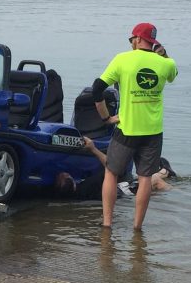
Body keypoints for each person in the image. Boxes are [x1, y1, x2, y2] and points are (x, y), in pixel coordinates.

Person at [92, 22, 178, 230]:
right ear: (154, 42)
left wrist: (107, 118)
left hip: (127, 129)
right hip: (153, 131)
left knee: (112, 173)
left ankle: (107, 224)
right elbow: (173, 75)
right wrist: (163, 55)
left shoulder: (122, 59)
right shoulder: (166, 63)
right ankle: (137, 228)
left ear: (138, 39)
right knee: (145, 177)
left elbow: (97, 89)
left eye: (132, 39)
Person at [53, 137, 173, 200]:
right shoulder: (87, 186)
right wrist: (93, 149)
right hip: (124, 192)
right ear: (73, 181)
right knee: (154, 180)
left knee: (147, 177)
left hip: (120, 189)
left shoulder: (70, 196)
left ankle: (165, 171)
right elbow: (111, 166)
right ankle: (176, 192)